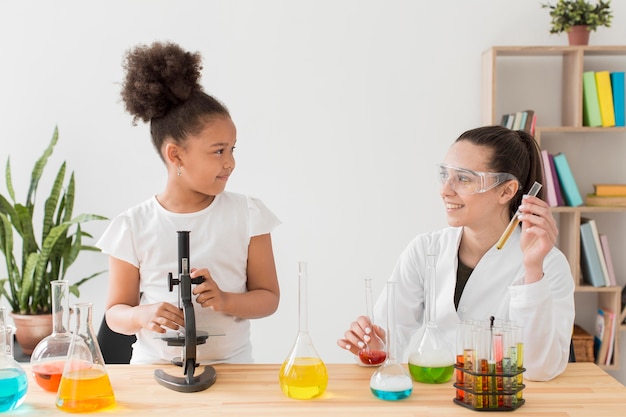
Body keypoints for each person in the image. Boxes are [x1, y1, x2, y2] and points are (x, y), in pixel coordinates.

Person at [337, 125, 575, 381]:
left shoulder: (549, 265)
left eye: (463, 178)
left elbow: (540, 369)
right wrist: (373, 346)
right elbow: (386, 340)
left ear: (506, 191)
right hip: (438, 400)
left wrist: (532, 269)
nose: (445, 190)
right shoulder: (425, 250)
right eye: (444, 175)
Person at [97, 41, 281, 364]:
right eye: (218, 151)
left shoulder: (248, 215)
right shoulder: (133, 226)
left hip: (233, 370)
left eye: (233, 150)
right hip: (152, 371)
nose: (230, 163)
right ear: (175, 154)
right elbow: (114, 313)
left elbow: (269, 298)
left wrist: (225, 300)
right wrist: (143, 315)